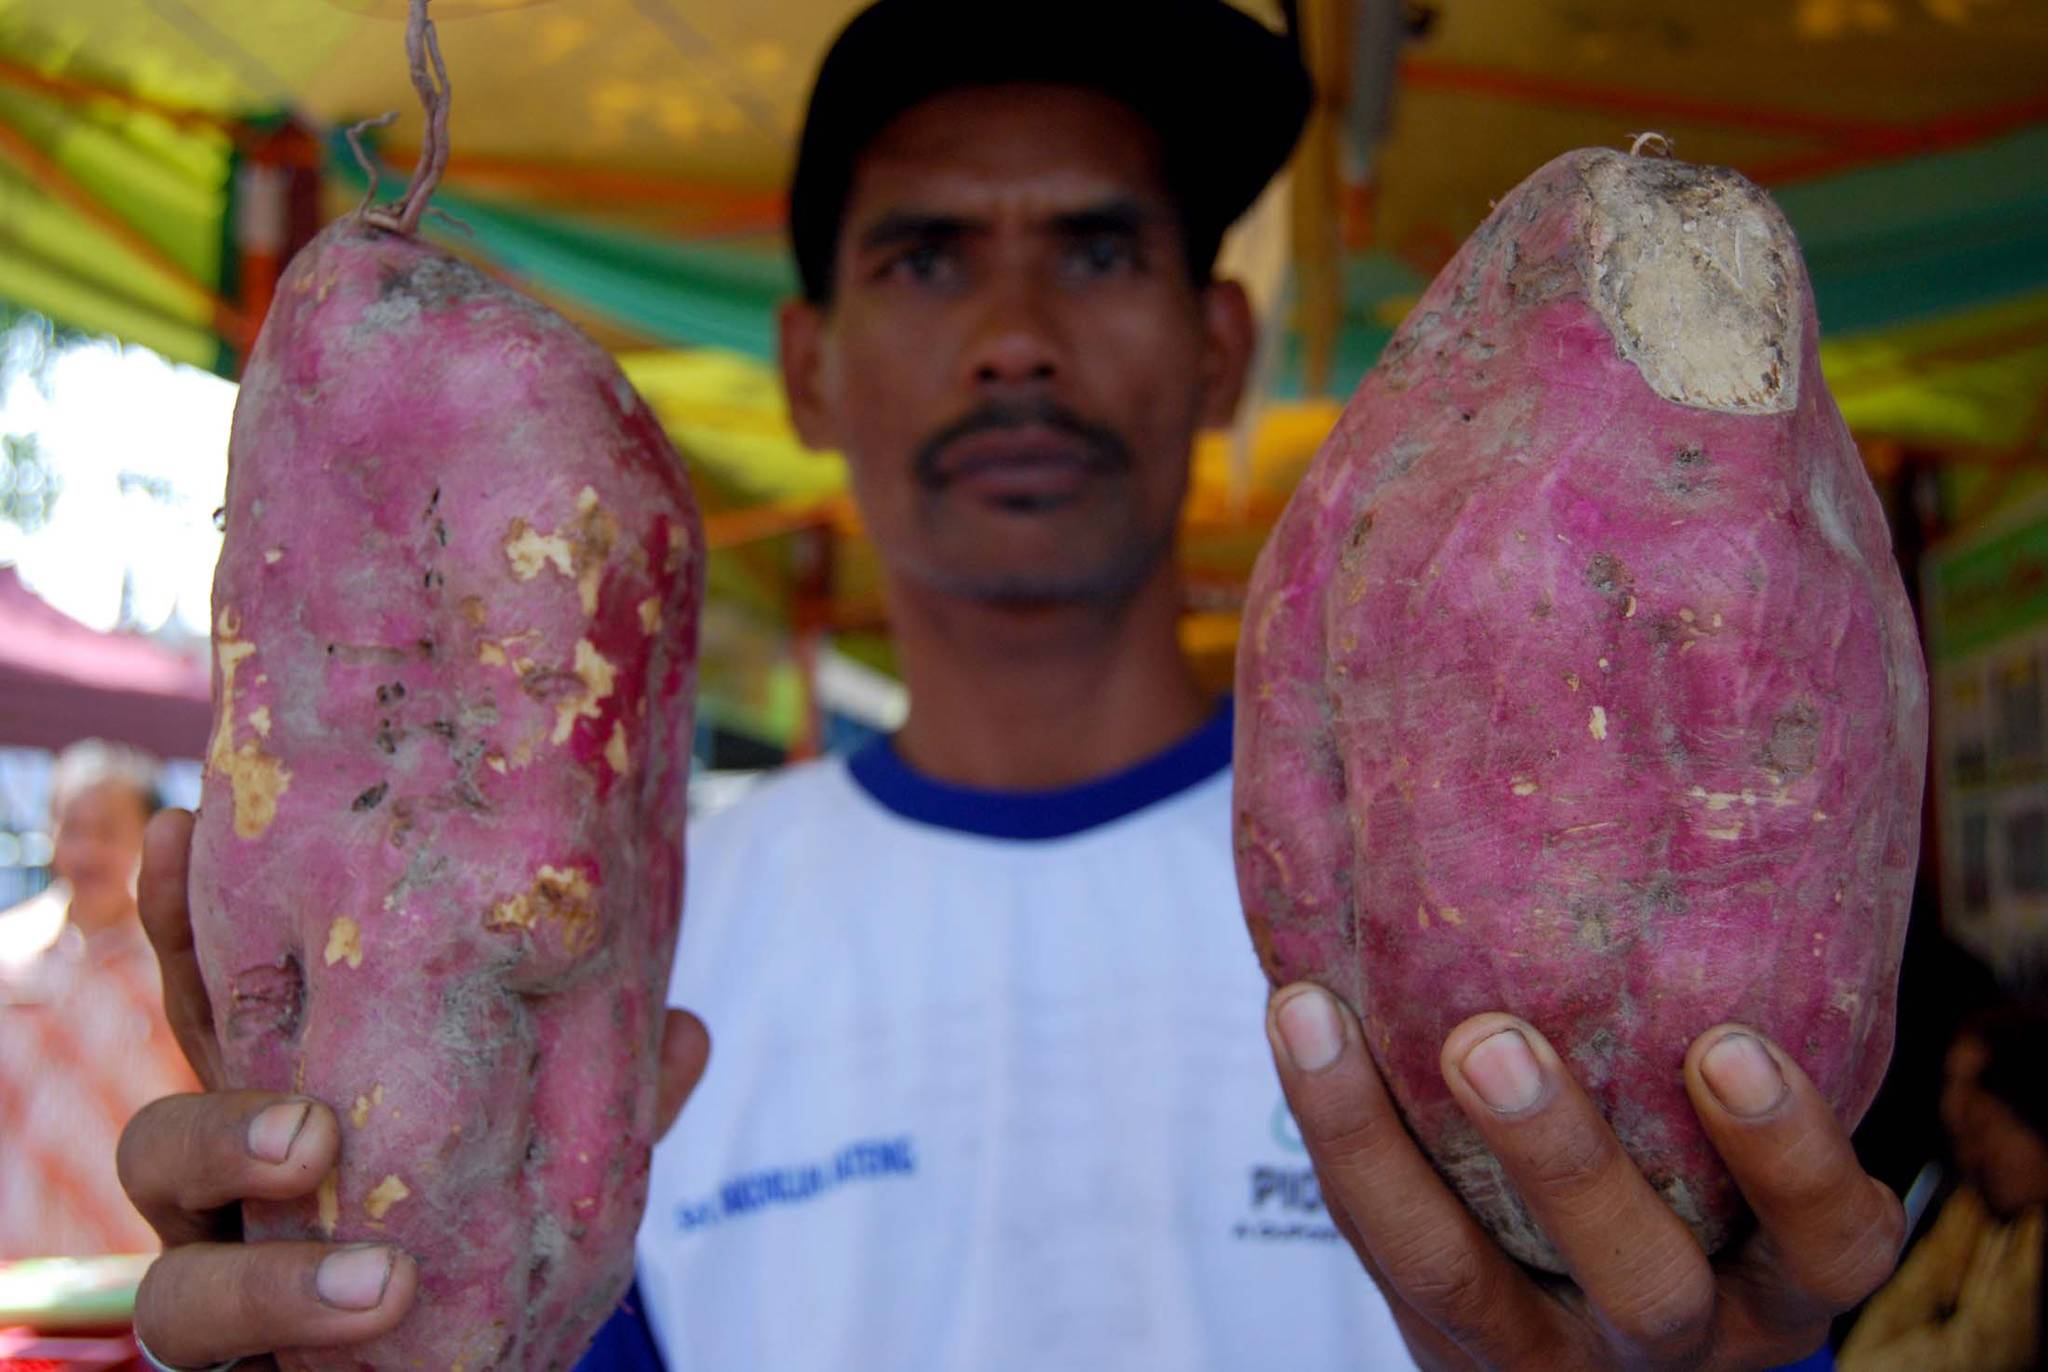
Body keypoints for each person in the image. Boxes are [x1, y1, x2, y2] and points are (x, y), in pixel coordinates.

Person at [116, 2, 1904, 1368]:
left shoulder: (1446, 908)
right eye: (927, 256)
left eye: (1099, 248)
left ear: (1220, 347)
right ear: (807, 369)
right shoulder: (618, 947)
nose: (1019, 337)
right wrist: (343, 1323)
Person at [0, 738, 197, 1258]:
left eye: (107, 831)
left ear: (149, 839)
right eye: (72, 828)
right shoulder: (8, 952)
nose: (87, 851)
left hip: (133, 1265)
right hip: (13, 1269)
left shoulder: (178, 965)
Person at [1838, 1004, 2048, 1372]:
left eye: (1968, 1085)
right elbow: (1903, 1301)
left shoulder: (2033, 1224)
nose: (1951, 1104)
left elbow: (1987, 1350)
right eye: (1950, 1083)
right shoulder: (1970, 1207)